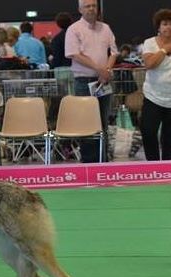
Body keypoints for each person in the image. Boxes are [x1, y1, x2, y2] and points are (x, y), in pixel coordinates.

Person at [65, 0, 118, 162]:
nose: (91, 9)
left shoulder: (106, 28)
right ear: (80, 9)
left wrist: (106, 71)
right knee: (86, 122)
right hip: (83, 81)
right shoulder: (74, 29)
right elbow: (74, 54)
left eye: (94, 6)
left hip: (104, 81)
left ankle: (103, 159)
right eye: (87, 6)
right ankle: (89, 161)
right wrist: (99, 69)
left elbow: (114, 52)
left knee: (103, 121)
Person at [140, 8, 171, 160]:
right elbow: (149, 64)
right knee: (148, 130)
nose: (169, 27)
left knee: (169, 137)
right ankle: (152, 165)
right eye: (165, 24)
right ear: (158, 27)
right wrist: (165, 49)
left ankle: (167, 169)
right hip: (153, 96)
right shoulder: (150, 43)